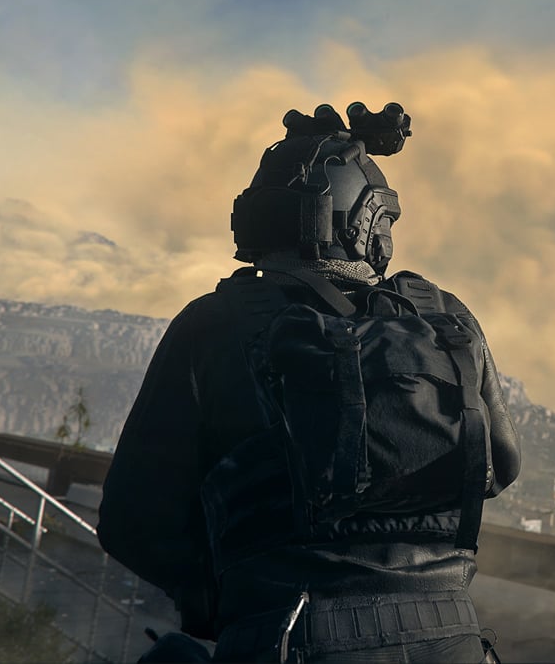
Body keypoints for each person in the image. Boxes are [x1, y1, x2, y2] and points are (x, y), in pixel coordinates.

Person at [98, 102, 520, 663]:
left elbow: (132, 522)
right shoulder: (444, 318)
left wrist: (231, 586)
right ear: (369, 225)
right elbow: (501, 466)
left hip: (285, 636)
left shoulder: (214, 324)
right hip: (452, 637)